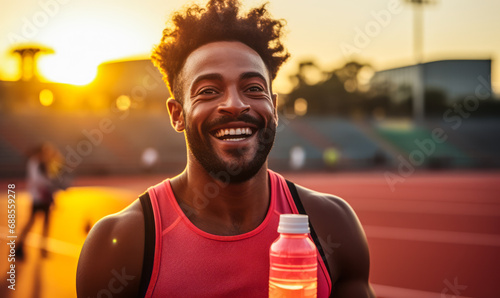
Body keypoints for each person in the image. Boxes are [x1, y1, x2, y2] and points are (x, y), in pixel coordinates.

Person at [76, 0, 375, 297]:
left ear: (275, 106)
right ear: (177, 114)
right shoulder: (121, 243)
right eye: (208, 91)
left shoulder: (333, 222)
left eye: (253, 88)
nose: (235, 104)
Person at [17, 142, 69, 259]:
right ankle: (19, 246)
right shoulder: (35, 162)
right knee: (31, 222)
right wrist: (50, 185)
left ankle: (43, 248)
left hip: (44, 196)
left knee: (46, 223)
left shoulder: (44, 163)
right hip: (38, 197)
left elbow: (54, 171)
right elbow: (39, 180)